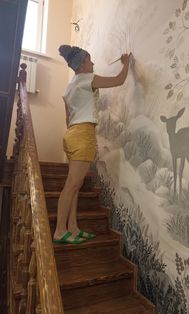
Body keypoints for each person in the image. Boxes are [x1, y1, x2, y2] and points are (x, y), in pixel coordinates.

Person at [53, 44, 132, 244]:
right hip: (83, 133)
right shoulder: (88, 79)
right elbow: (119, 80)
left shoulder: (69, 87)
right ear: (82, 64)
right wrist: (126, 63)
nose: (93, 63)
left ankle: (72, 227)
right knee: (72, 185)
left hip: (71, 133)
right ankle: (60, 231)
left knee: (76, 185)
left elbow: (67, 117)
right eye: (90, 60)